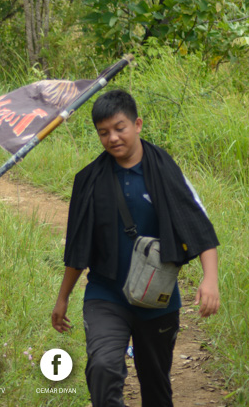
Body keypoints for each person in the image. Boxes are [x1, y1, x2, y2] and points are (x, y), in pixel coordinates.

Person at [50, 89, 220, 407]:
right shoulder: (89, 180)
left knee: (156, 386)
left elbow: (198, 226)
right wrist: (63, 297)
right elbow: (79, 246)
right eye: (103, 132)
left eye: (119, 128)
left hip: (158, 298)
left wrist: (210, 279)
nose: (112, 138)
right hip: (106, 294)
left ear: (137, 124)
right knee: (102, 368)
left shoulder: (166, 172)